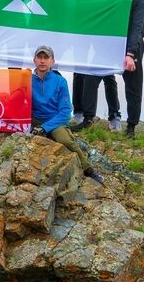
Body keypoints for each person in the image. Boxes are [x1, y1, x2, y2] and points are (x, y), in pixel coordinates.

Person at [31, 45, 104, 185]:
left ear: (52, 61)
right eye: (39, 57)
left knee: (65, 141)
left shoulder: (60, 81)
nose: (42, 61)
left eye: (46, 57)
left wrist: (45, 127)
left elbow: (65, 111)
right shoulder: (27, 80)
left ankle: (89, 170)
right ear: (34, 60)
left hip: (54, 120)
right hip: (34, 118)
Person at [69, 0, 120, 131]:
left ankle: (114, 115)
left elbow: (118, 2)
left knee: (108, 72)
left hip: (105, 31)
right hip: (81, 29)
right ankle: (79, 111)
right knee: (79, 69)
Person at [102, 0, 144, 138]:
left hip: (133, 45)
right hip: (109, 43)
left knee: (133, 86)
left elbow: (138, 26)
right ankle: (91, 117)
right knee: (96, 78)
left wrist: (130, 53)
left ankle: (131, 126)